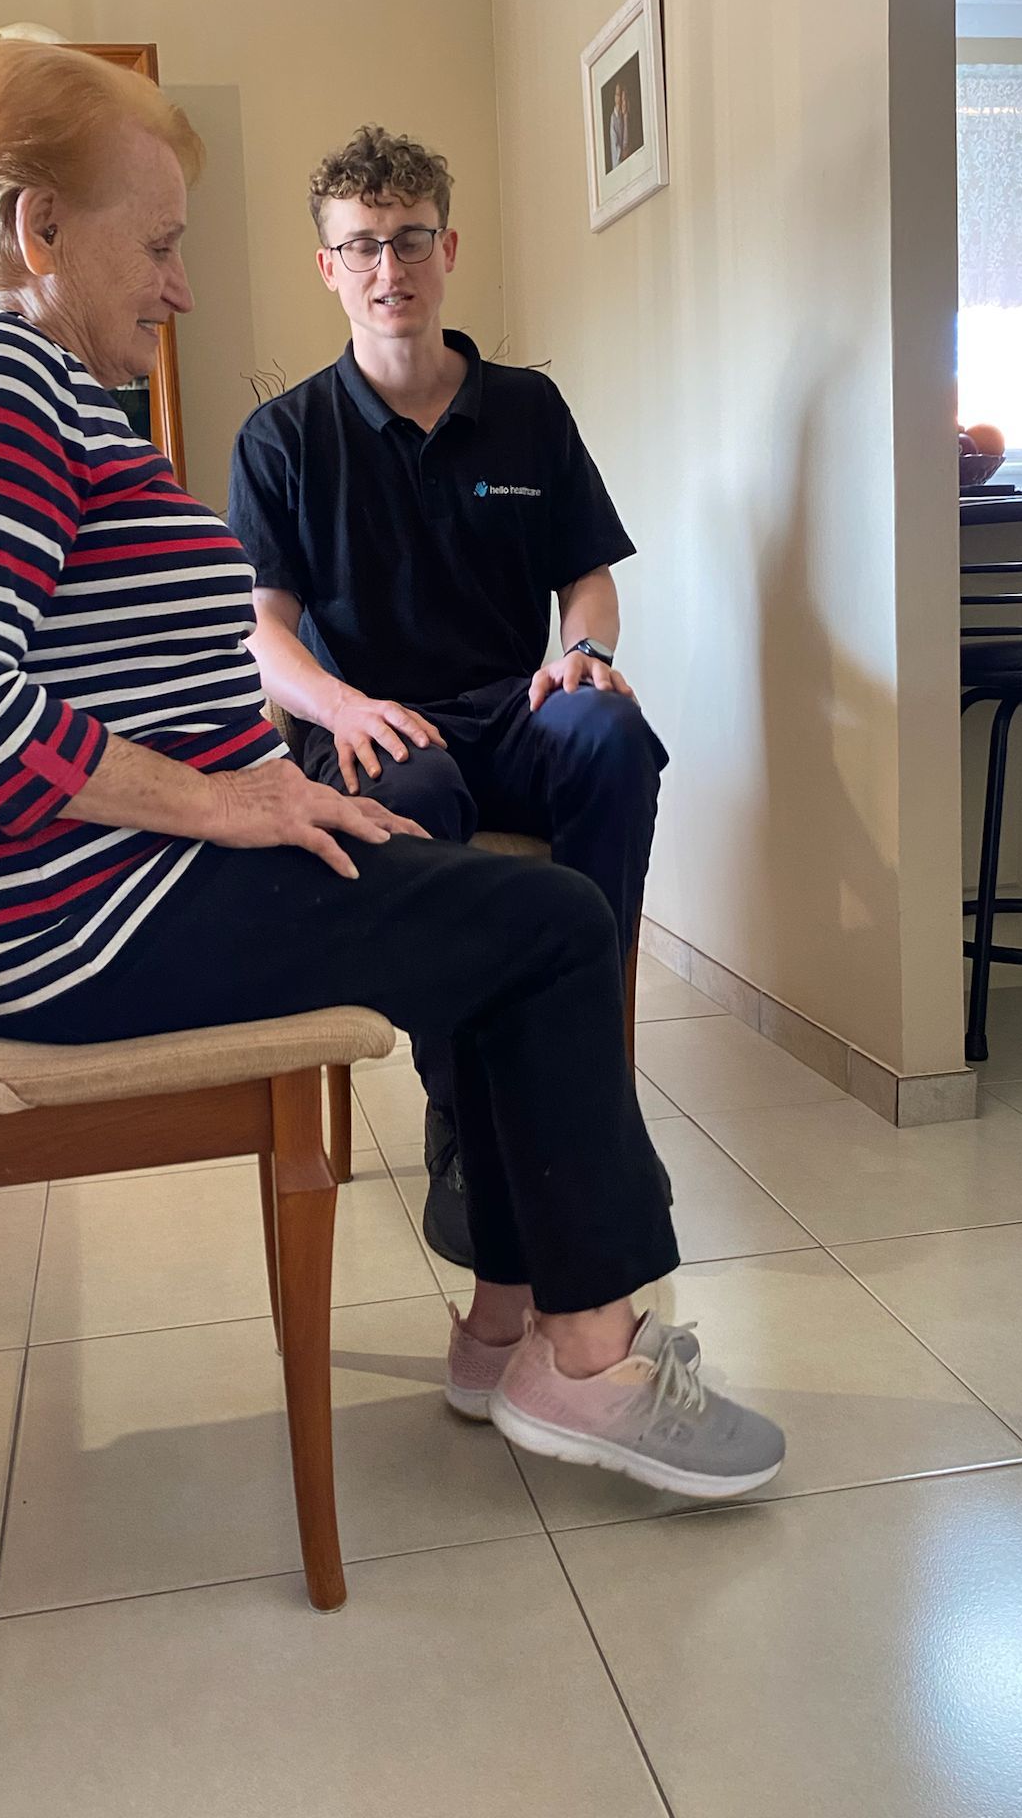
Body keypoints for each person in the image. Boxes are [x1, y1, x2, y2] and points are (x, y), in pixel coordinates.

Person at [0, 41, 783, 1501]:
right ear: (37, 227)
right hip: (82, 921)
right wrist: (229, 797)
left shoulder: (12, 379)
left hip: (91, 893)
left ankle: (516, 1333)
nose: (182, 286)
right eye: (155, 245)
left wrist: (263, 795)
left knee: (507, 923)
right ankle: (582, 1360)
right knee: (547, 931)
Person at [227, 126, 667, 1268]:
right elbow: (263, 631)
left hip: (517, 703)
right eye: (362, 246)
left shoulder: (529, 411)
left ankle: (591, 1057)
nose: (391, 268)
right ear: (329, 267)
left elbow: (589, 577)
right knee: (410, 782)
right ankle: (462, 1100)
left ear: (448, 246)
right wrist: (336, 706)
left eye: (411, 239)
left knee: (612, 729)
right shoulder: (282, 438)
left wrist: (585, 648)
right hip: (375, 721)